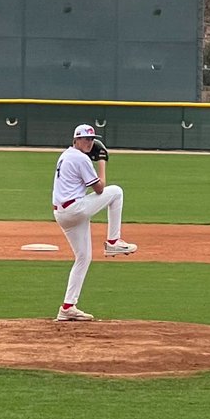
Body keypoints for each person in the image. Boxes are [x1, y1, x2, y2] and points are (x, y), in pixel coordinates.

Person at [52, 123, 137, 322]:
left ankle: (67, 307)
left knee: (83, 258)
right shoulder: (81, 159)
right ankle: (113, 242)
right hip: (75, 210)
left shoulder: (65, 155)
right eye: (85, 139)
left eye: (91, 139)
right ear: (76, 140)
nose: (89, 142)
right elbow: (100, 188)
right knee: (116, 192)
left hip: (63, 213)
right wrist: (102, 162)